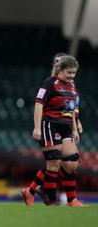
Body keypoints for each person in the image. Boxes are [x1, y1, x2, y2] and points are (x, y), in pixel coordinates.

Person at [21, 55, 88, 206]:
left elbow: (71, 108)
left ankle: (42, 191)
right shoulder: (49, 83)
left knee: (72, 164)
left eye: (74, 73)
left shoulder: (71, 85)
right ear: (60, 70)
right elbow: (39, 105)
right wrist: (37, 127)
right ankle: (52, 202)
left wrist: (75, 126)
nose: (71, 76)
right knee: (54, 163)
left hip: (66, 127)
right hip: (50, 125)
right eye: (69, 72)